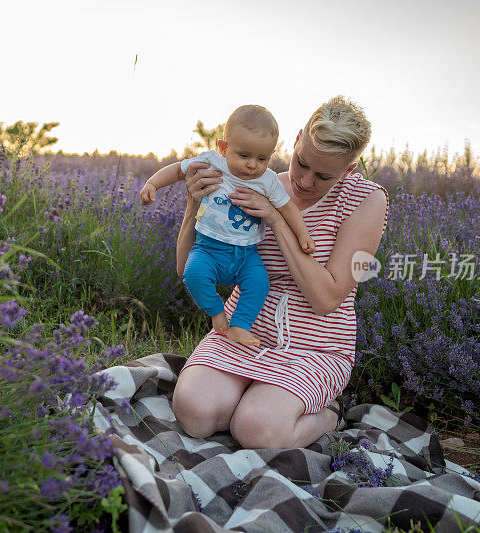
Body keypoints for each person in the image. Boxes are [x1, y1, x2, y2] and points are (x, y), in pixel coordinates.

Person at [171, 96, 390, 449]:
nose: (304, 181)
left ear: (348, 170)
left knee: (258, 431)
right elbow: (187, 269)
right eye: (301, 163)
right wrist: (193, 207)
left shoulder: (367, 200)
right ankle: (254, 398)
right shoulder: (255, 179)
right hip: (243, 330)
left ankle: (328, 413)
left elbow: (327, 298)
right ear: (297, 138)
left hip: (315, 346)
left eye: (324, 175)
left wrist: (277, 218)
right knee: (194, 413)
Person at [140, 105, 315, 347]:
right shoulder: (211, 162)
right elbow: (178, 170)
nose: (253, 165)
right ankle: (216, 311)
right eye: (244, 156)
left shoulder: (268, 181)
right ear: (223, 148)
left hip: (246, 254)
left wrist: (303, 234)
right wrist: (152, 184)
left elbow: (287, 208)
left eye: (262, 158)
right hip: (208, 247)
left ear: (271, 154)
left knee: (259, 284)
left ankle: (239, 327)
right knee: (193, 274)